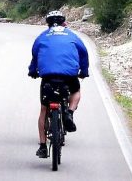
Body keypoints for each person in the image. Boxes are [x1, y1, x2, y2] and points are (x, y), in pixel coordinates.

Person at [27, 9, 89, 158]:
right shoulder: (72, 35)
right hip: (69, 75)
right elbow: (84, 53)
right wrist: (84, 71)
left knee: (43, 109)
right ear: (65, 23)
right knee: (75, 92)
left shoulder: (42, 37)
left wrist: (33, 71)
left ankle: (43, 146)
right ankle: (69, 112)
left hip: (48, 77)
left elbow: (35, 56)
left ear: (48, 25)